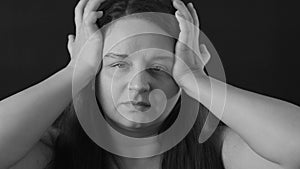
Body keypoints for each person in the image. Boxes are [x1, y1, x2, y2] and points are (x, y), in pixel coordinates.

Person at [0, 0, 300, 169]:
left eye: (159, 68)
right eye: (117, 65)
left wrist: (199, 80)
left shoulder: (219, 151)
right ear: (93, 76)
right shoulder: (52, 152)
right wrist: (74, 73)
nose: (140, 85)